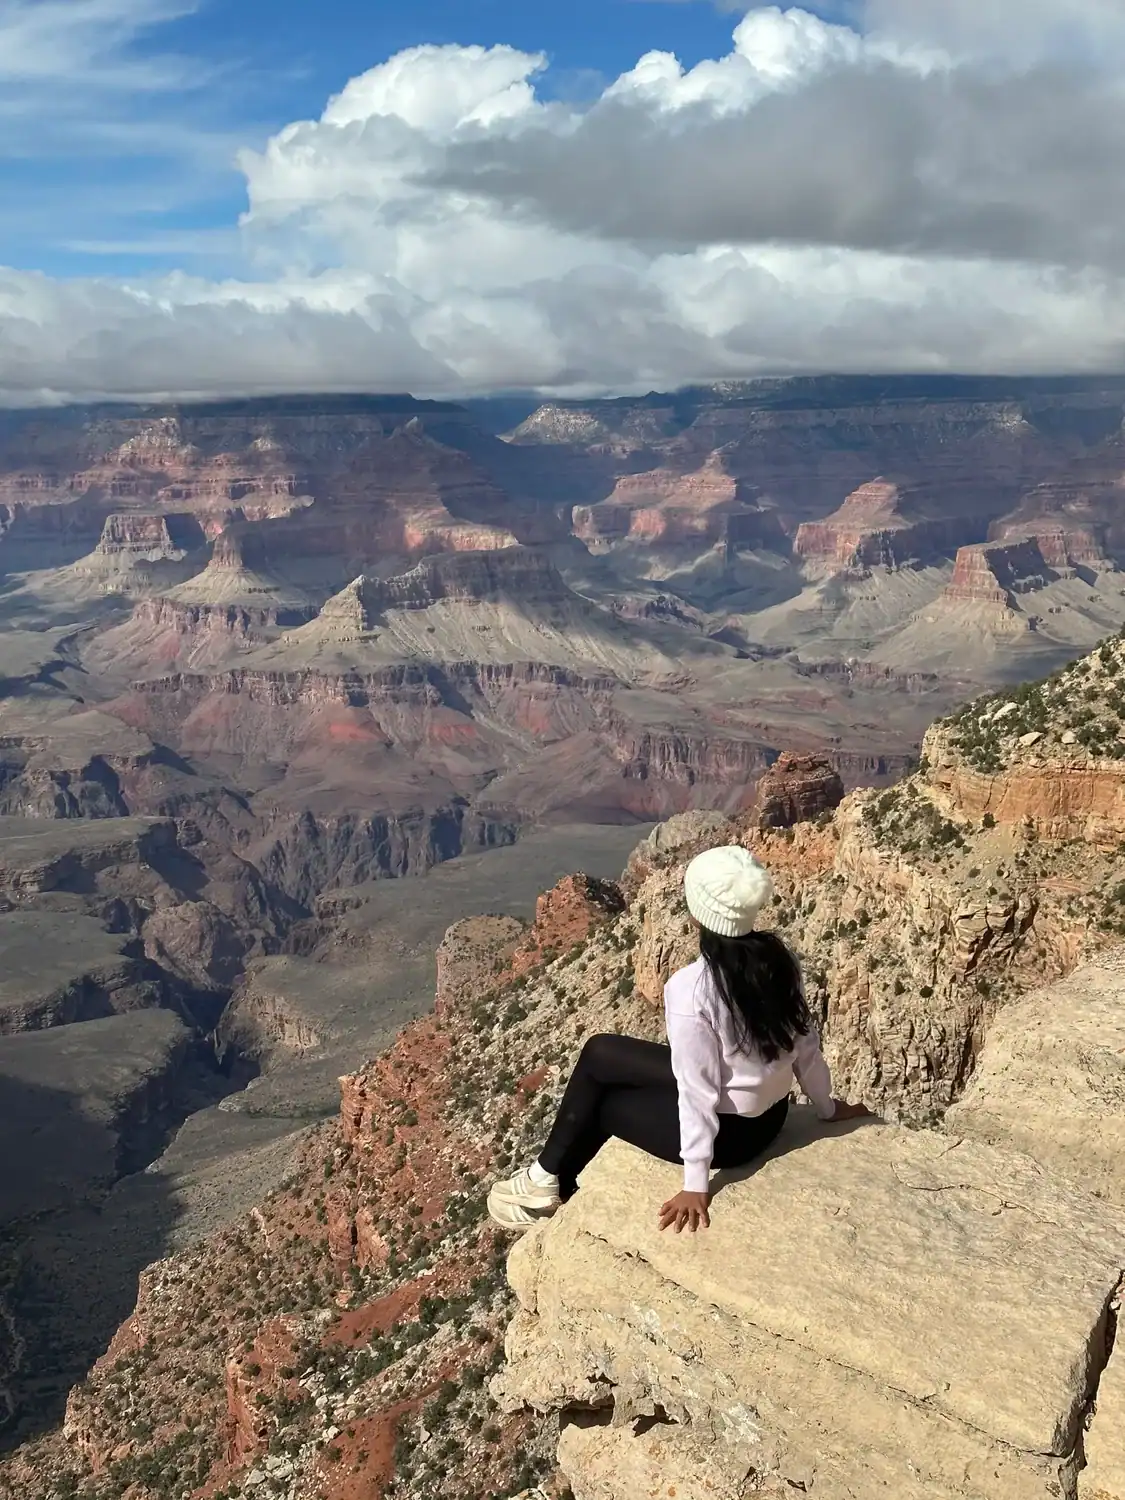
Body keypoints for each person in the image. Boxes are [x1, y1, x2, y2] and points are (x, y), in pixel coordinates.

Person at [487, 843, 871, 1235]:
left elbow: (697, 1090)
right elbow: (805, 1046)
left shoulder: (692, 989)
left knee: (604, 1104)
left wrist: (696, 1185)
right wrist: (827, 1107)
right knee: (600, 1051)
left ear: (696, 912)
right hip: (773, 1117)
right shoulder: (778, 959)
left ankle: (549, 1190)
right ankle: (543, 1177)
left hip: (734, 1139)